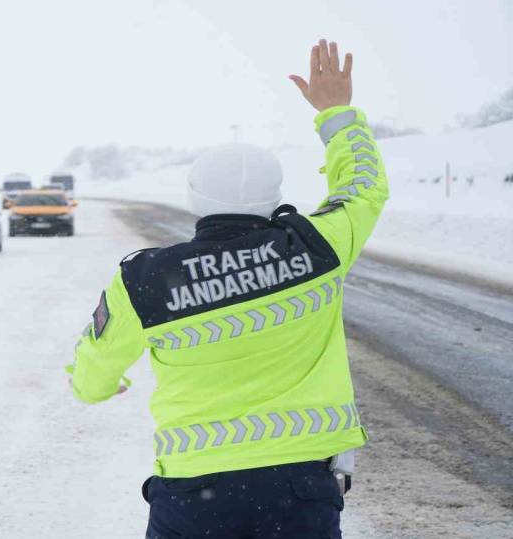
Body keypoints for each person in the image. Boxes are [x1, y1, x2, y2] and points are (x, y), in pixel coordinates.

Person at [66, 39, 388, 538]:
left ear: (193, 197)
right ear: (275, 198)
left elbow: (92, 370)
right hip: (301, 489)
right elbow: (364, 186)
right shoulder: (319, 246)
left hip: (195, 493)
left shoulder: (144, 278)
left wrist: (101, 385)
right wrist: (336, 113)